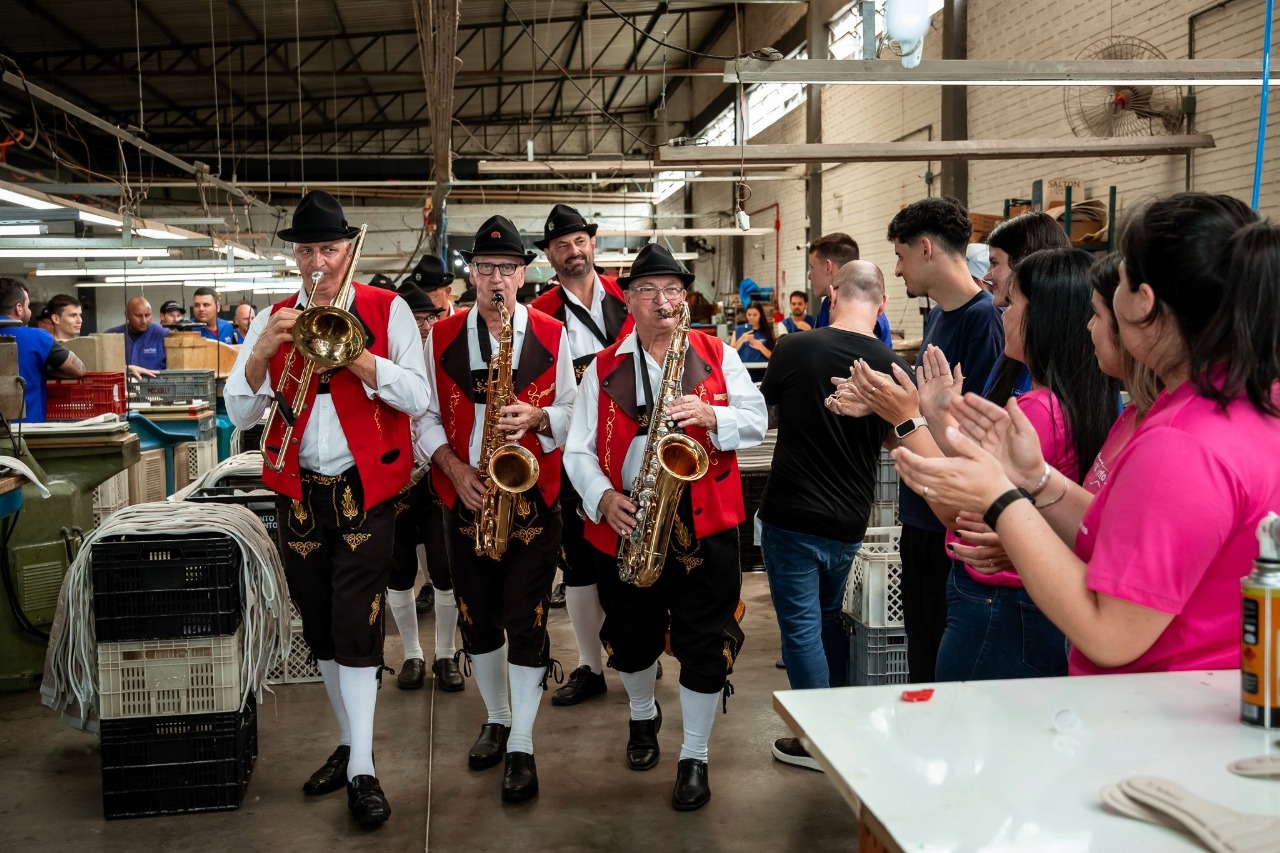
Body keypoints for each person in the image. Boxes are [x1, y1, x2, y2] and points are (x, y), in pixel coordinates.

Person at [894, 192, 1280, 676]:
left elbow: (1109, 634)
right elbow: (1122, 536)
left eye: (1106, 298)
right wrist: (1037, 480)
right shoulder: (1228, 402)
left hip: (1159, 714)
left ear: (1143, 303)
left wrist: (1001, 498)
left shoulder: (1183, 442)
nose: (1092, 320)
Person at [224, 190, 430, 828]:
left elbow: (418, 398)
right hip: (298, 491)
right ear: (295, 255)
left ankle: (364, 769)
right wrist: (263, 350)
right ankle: (349, 745)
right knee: (320, 626)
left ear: (349, 251)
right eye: (307, 250)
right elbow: (238, 412)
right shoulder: (274, 315)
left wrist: (360, 359)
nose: (318, 262)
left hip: (365, 489)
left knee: (356, 621)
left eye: (329, 249)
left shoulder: (385, 307)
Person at [565, 243, 767, 812]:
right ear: (626, 300)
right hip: (626, 517)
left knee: (705, 640)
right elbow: (577, 450)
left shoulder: (715, 354)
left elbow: (757, 420)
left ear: (685, 297)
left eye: (673, 290)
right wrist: (602, 497)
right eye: (649, 290)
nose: (664, 301)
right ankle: (641, 714)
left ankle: (695, 755)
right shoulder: (600, 369)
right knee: (631, 636)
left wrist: (714, 415)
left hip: (703, 522)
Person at [417, 215, 576, 804]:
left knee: (525, 618)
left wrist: (540, 419)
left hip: (534, 500)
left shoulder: (555, 336)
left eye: (506, 269)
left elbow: (575, 415)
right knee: (477, 618)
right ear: (470, 276)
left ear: (524, 273)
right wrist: (456, 471)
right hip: (468, 493)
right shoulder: (441, 337)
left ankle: (523, 743)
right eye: (484, 269)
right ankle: (498, 715)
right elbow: (422, 417)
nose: (495, 280)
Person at [932, 249, 1120, 681]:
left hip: (998, 603)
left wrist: (910, 420)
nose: (1000, 310)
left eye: (1013, 303)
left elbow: (960, 514)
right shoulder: (1082, 405)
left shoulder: (1035, 413)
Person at [760, 261, 912, 771]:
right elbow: (896, 441)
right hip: (849, 519)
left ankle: (816, 741)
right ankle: (839, 724)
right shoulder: (895, 370)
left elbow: (770, 416)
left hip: (790, 515)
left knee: (801, 628)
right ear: (883, 304)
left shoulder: (794, 349)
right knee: (826, 619)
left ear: (831, 294)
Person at [885, 196, 1004, 683]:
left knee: (939, 660)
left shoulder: (983, 321)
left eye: (901, 255)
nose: (897, 270)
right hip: (922, 512)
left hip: (951, 523)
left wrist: (908, 415)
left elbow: (977, 437)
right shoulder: (938, 316)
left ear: (927, 249)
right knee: (921, 652)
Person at [529, 203, 634, 708]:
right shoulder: (537, 315)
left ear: (593, 244)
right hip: (573, 449)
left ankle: (641, 651)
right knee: (578, 563)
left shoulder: (631, 296)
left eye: (580, 241)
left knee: (638, 552)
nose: (574, 252)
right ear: (549, 256)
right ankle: (590, 666)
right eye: (562, 245)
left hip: (635, 445)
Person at [381, 278, 464, 693]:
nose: (425, 325)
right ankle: (412, 654)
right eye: (415, 319)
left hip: (436, 477)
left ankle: (445, 654)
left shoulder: (446, 354)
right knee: (398, 573)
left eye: (430, 317)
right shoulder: (385, 358)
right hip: (396, 481)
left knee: (445, 570)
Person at [980, 212, 1072, 403]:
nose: (987, 276)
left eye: (994, 263)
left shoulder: (1067, 371)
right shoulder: (1016, 352)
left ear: (1025, 263)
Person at [0, 278, 86, 422]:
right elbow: (79, 370)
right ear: (19, 308)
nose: (29, 310)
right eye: (28, 306)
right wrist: (43, 370)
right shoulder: (37, 338)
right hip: (26, 431)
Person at [809, 233, 893, 346]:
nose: (809, 275)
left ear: (828, 266)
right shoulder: (826, 306)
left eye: (812, 267)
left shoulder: (866, 313)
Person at [105, 296, 168, 377]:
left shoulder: (163, 335)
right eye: (138, 316)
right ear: (127, 315)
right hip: (122, 387)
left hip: (155, 388)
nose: (144, 321)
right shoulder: (110, 337)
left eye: (147, 315)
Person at [730, 301, 776, 380]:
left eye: (755, 315)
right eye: (749, 314)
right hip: (742, 372)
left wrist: (760, 347)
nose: (751, 317)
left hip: (762, 372)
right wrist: (741, 340)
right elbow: (730, 353)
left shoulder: (766, 331)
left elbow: (773, 356)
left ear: (760, 315)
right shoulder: (738, 330)